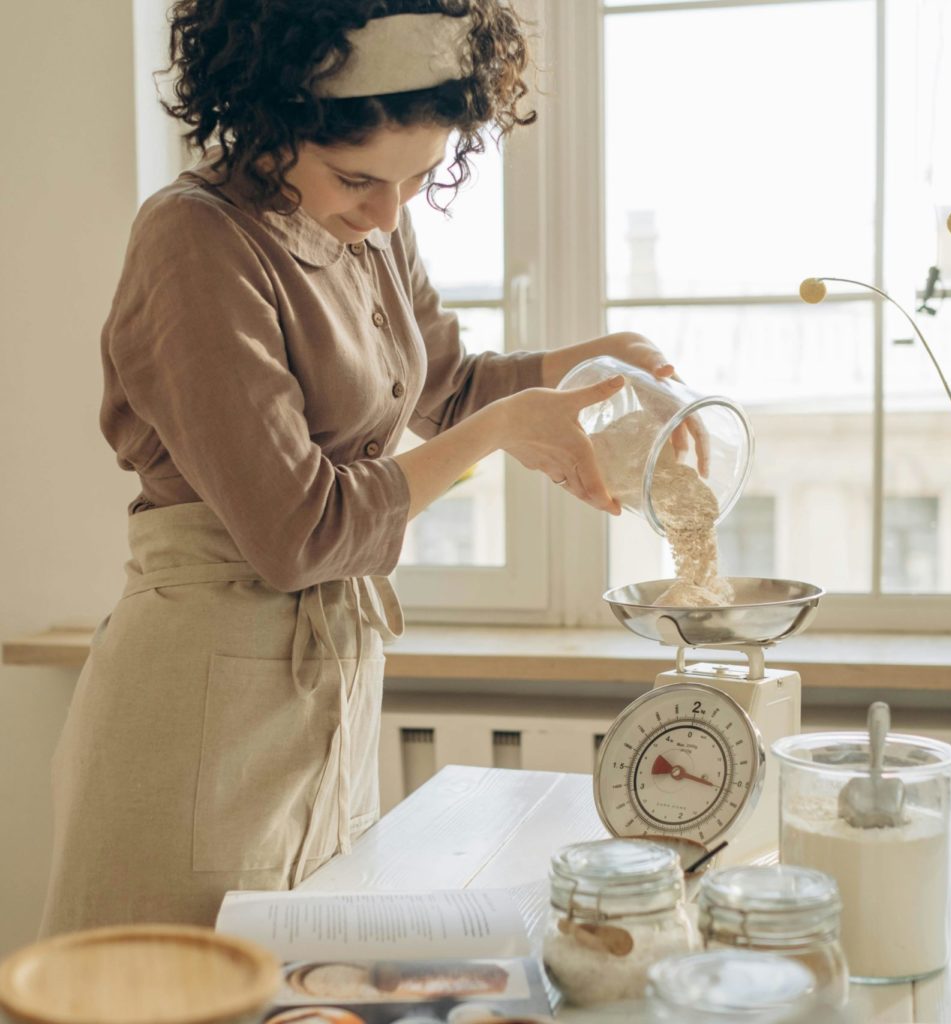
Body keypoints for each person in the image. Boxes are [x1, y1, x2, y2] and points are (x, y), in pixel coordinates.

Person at [39, 0, 680, 936]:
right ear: (272, 121)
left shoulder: (367, 225)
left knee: (311, 984)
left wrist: (597, 362)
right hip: (198, 697)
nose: (385, 212)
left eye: (419, 179)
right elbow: (300, 535)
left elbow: (449, 384)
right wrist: (505, 430)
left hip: (326, 685)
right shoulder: (196, 240)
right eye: (357, 179)